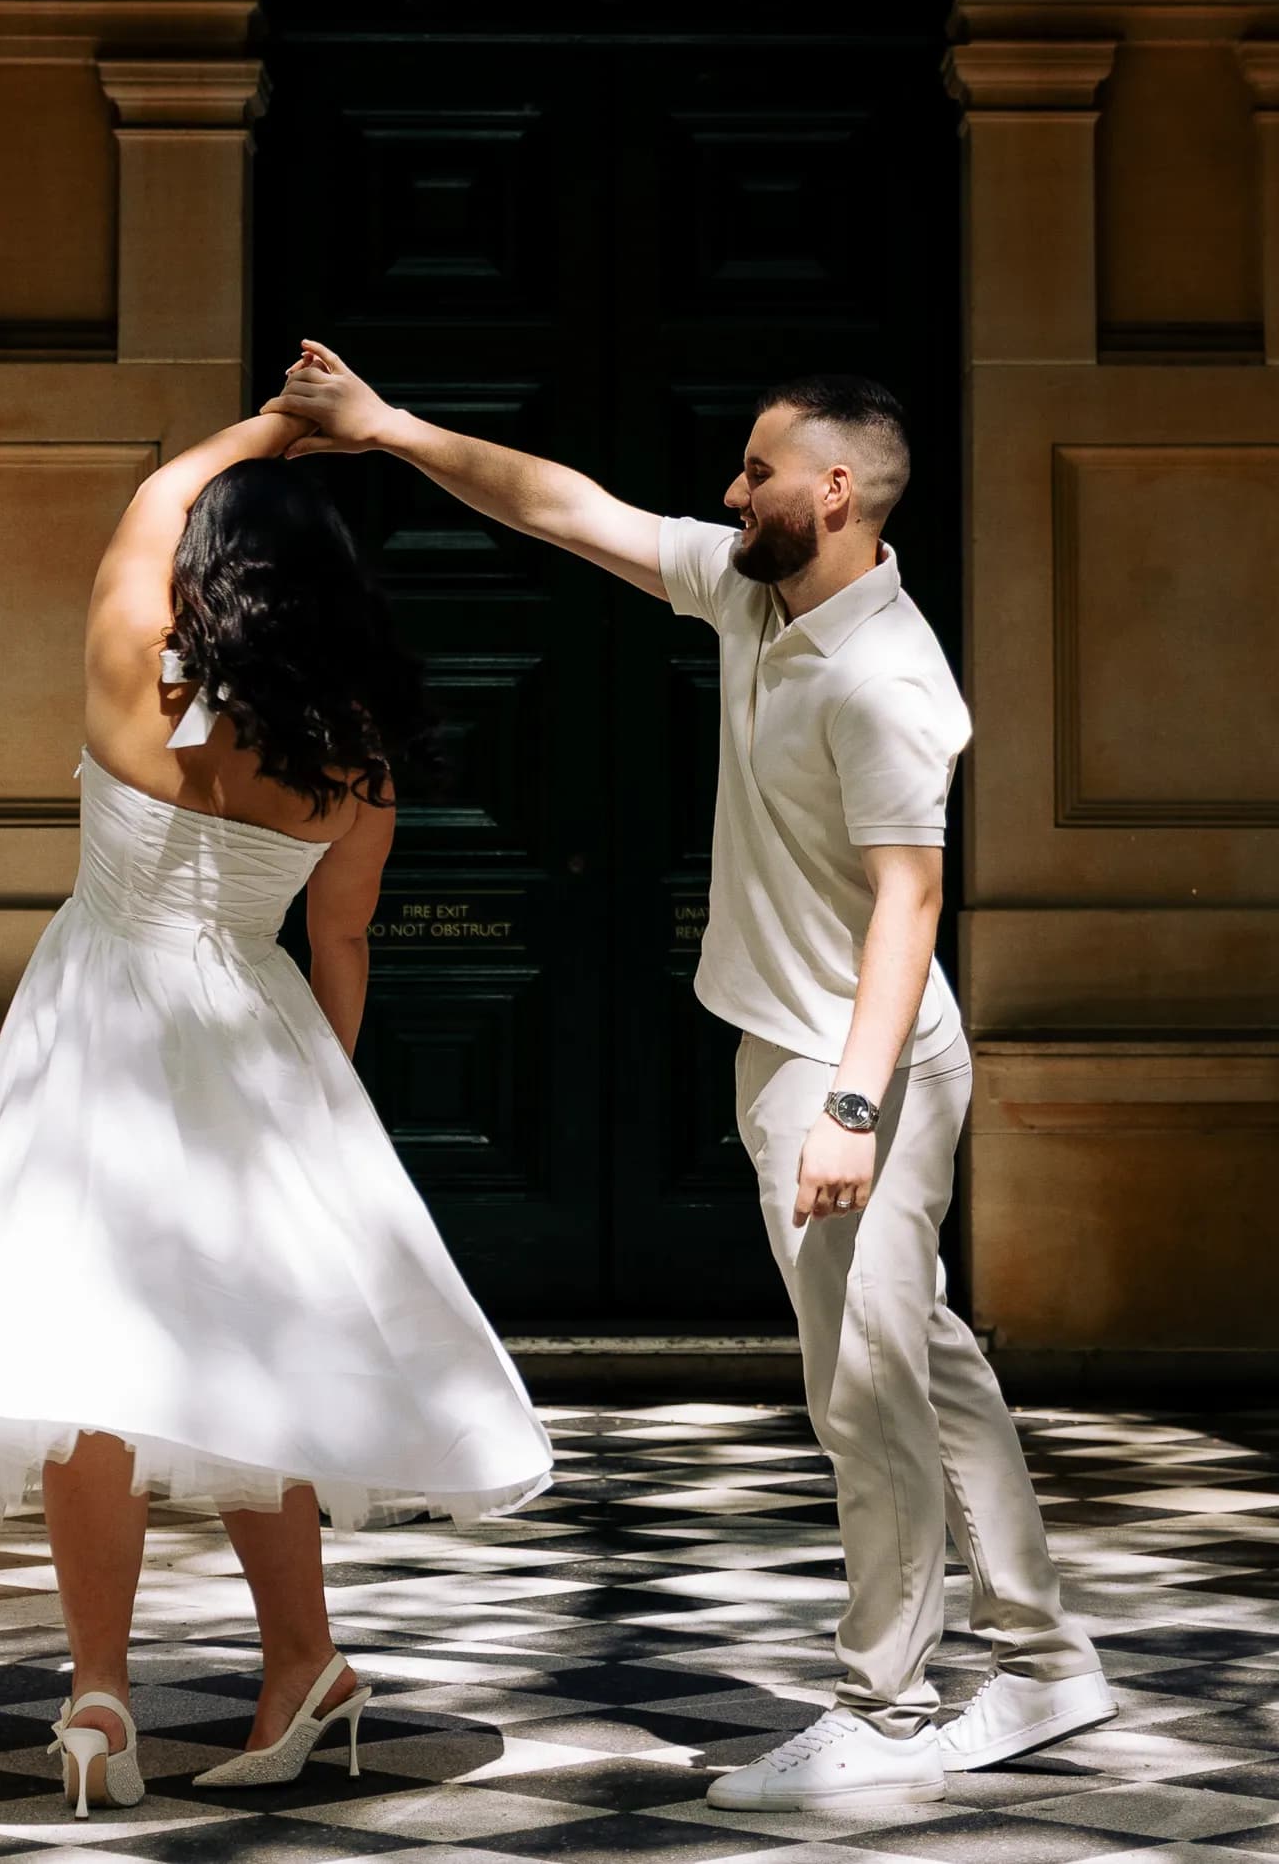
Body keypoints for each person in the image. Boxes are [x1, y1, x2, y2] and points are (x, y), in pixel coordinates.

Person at [269, 344, 1112, 1806]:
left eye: (760, 469)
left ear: (835, 491)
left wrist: (852, 1107)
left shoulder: (887, 679)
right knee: (922, 1363)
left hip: (856, 1067)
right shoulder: (754, 591)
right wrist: (391, 427)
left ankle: (886, 1712)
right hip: (788, 1047)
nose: (732, 490)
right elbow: (569, 510)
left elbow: (913, 906)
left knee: (864, 1388)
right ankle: (1046, 1662)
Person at [0, 405, 552, 1816]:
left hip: (95, 1044)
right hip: (254, 1047)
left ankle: (101, 1696)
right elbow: (345, 945)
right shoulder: (354, 765)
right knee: (248, 1357)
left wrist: (275, 425)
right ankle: (304, 1660)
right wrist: (322, 1094)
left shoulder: (133, 672)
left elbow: (153, 493)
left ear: (212, 578)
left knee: (92, 1368)